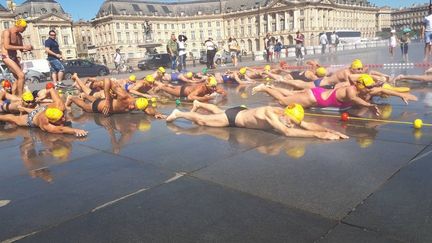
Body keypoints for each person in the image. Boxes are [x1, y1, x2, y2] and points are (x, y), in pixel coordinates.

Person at [166, 101, 348, 140]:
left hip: (242, 111)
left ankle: (198, 104)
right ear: (285, 114)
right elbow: (286, 132)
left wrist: (328, 131)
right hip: (234, 117)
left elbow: (306, 124)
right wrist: (318, 136)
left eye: (293, 121)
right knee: (203, 121)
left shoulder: (287, 114)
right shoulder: (271, 113)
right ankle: (179, 113)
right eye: (290, 120)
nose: (291, 123)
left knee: (216, 113)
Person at [252, 74, 417, 113]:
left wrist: (400, 94)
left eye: (369, 87)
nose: (369, 90)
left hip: (318, 95)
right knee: (283, 101)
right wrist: (370, 105)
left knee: (287, 95)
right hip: (313, 97)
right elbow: (357, 101)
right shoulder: (351, 90)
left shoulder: (364, 89)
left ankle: (269, 87)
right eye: (367, 87)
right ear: (360, 85)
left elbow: (381, 89)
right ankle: (265, 88)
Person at [0, 88, 88, 137]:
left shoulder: (59, 106)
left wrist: (42, 97)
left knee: (60, 105)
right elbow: (60, 129)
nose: (64, 119)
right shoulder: (45, 124)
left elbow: (51, 89)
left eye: (62, 116)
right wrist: (75, 130)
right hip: (33, 118)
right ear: (51, 121)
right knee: (14, 119)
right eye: (60, 120)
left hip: (42, 109)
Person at [1, 19, 33, 96]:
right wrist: (23, 46)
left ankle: (14, 96)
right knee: (21, 75)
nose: (25, 29)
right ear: (19, 26)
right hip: (6, 56)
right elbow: (6, 46)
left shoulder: (19, 35)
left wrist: (28, 48)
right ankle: (20, 96)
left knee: (18, 79)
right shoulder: (7, 32)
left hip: (14, 57)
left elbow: (21, 49)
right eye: (24, 28)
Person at [156, 77, 226, 101]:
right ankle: (157, 86)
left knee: (171, 87)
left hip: (188, 87)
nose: (214, 89)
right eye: (212, 87)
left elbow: (223, 92)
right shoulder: (201, 88)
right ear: (207, 85)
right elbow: (190, 97)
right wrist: (205, 98)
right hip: (182, 92)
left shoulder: (213, 87)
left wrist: (221, 94)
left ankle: (164, 85)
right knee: (164, 88)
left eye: (214, 86)